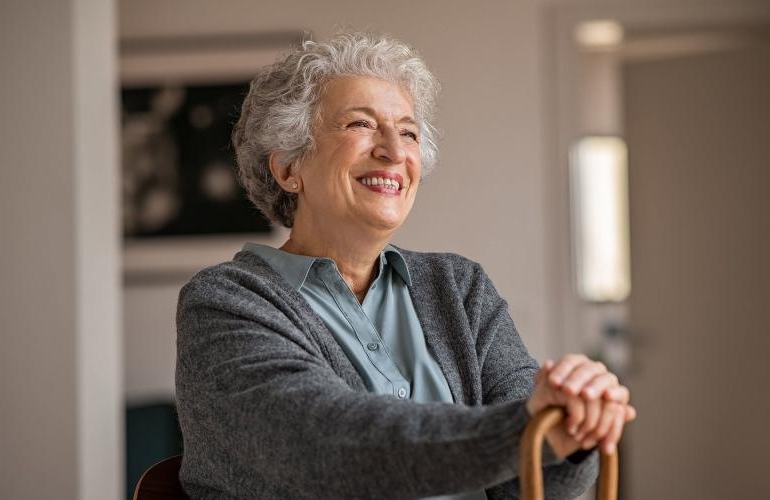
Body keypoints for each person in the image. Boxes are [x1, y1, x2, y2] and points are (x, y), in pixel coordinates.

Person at [175, 32, 635, 499]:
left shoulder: (459, 288)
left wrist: (573, 425)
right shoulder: (226, 302)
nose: (394, 151)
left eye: (409, 132)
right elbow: (326, 449)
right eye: (360, 124)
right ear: (289, 169)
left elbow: (536, 485)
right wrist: (526, 430)